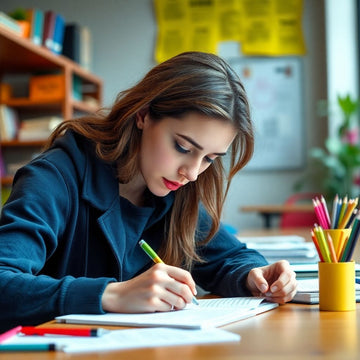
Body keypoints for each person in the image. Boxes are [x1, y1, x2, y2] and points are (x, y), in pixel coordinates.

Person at [0, 51, 297, 332]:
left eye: (209, 159)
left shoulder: (176, 189)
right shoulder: (55, 176)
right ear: (143, 115)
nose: (192, 173)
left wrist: (255, 275)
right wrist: (110, 295)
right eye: (182, 147)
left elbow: (228, 257)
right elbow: (4, 283)